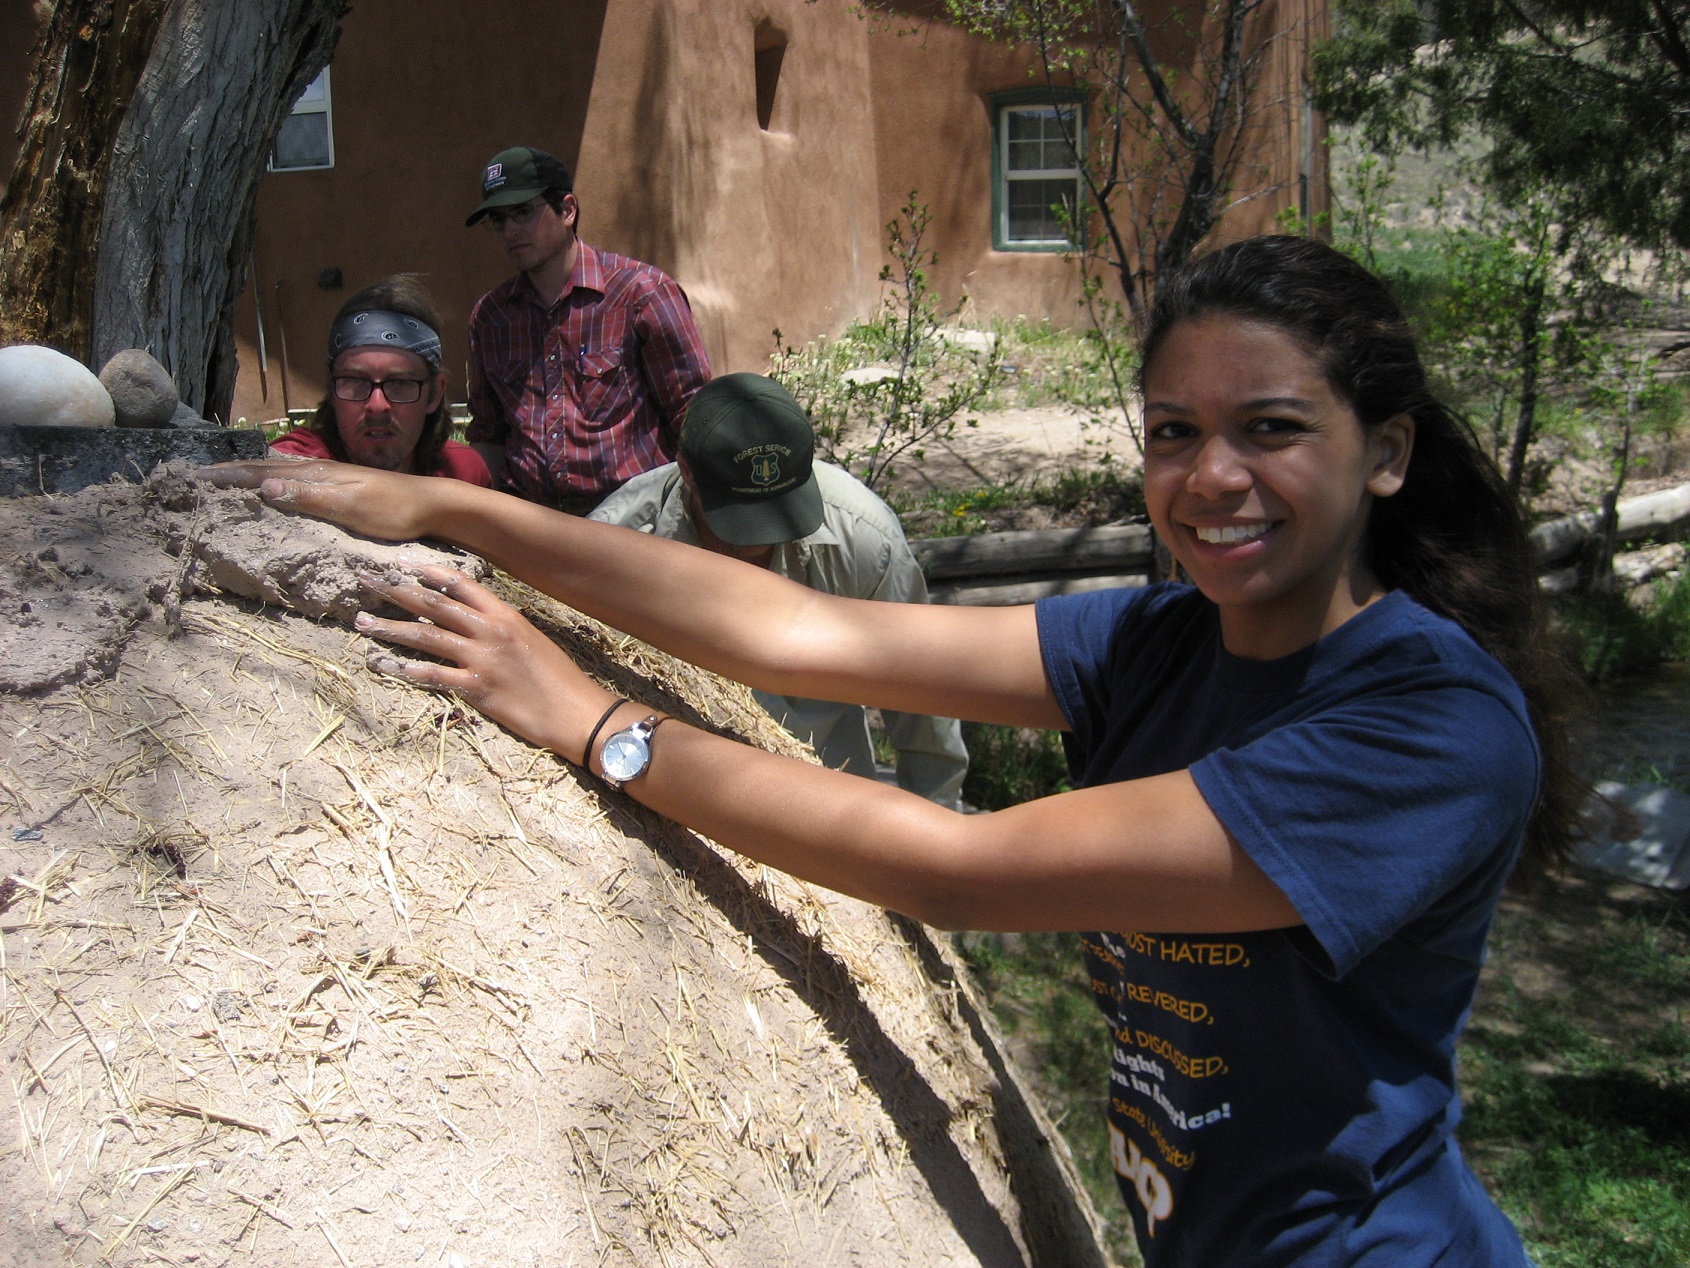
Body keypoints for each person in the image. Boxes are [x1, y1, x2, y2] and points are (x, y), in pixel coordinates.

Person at [207, 235, 1579, 1267]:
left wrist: (595, 726)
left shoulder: (1425, 729)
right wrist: (461, 518)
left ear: (1383, 452)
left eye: (1270, 428)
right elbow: (805, 637)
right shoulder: (1168, 639)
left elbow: (960, 869)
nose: (1208, 476)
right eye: (1173, 433)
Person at [589, 371, 970, 808]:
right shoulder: (616, 548)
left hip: (830, 796)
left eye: (778, 512)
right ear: (687, 470)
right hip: (673, 798)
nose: (759, 542)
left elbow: (921, 692)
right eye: (741, 520)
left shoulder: (864, 539)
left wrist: (937, 830)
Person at [463, 145, 712, 512]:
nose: (510, 230)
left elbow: (694, 416)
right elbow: (488, 435)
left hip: (635, 516)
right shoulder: (491, 318)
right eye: (498, 221)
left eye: (522, 213)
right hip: (531, 520)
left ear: (567, 210)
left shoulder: (641, 294)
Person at [270, 275, 491, 486]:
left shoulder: (464, 472)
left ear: (434, 393)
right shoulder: (293, 466)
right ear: (331, 388)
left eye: (400, 384)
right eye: (356, 381)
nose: (377, 405)